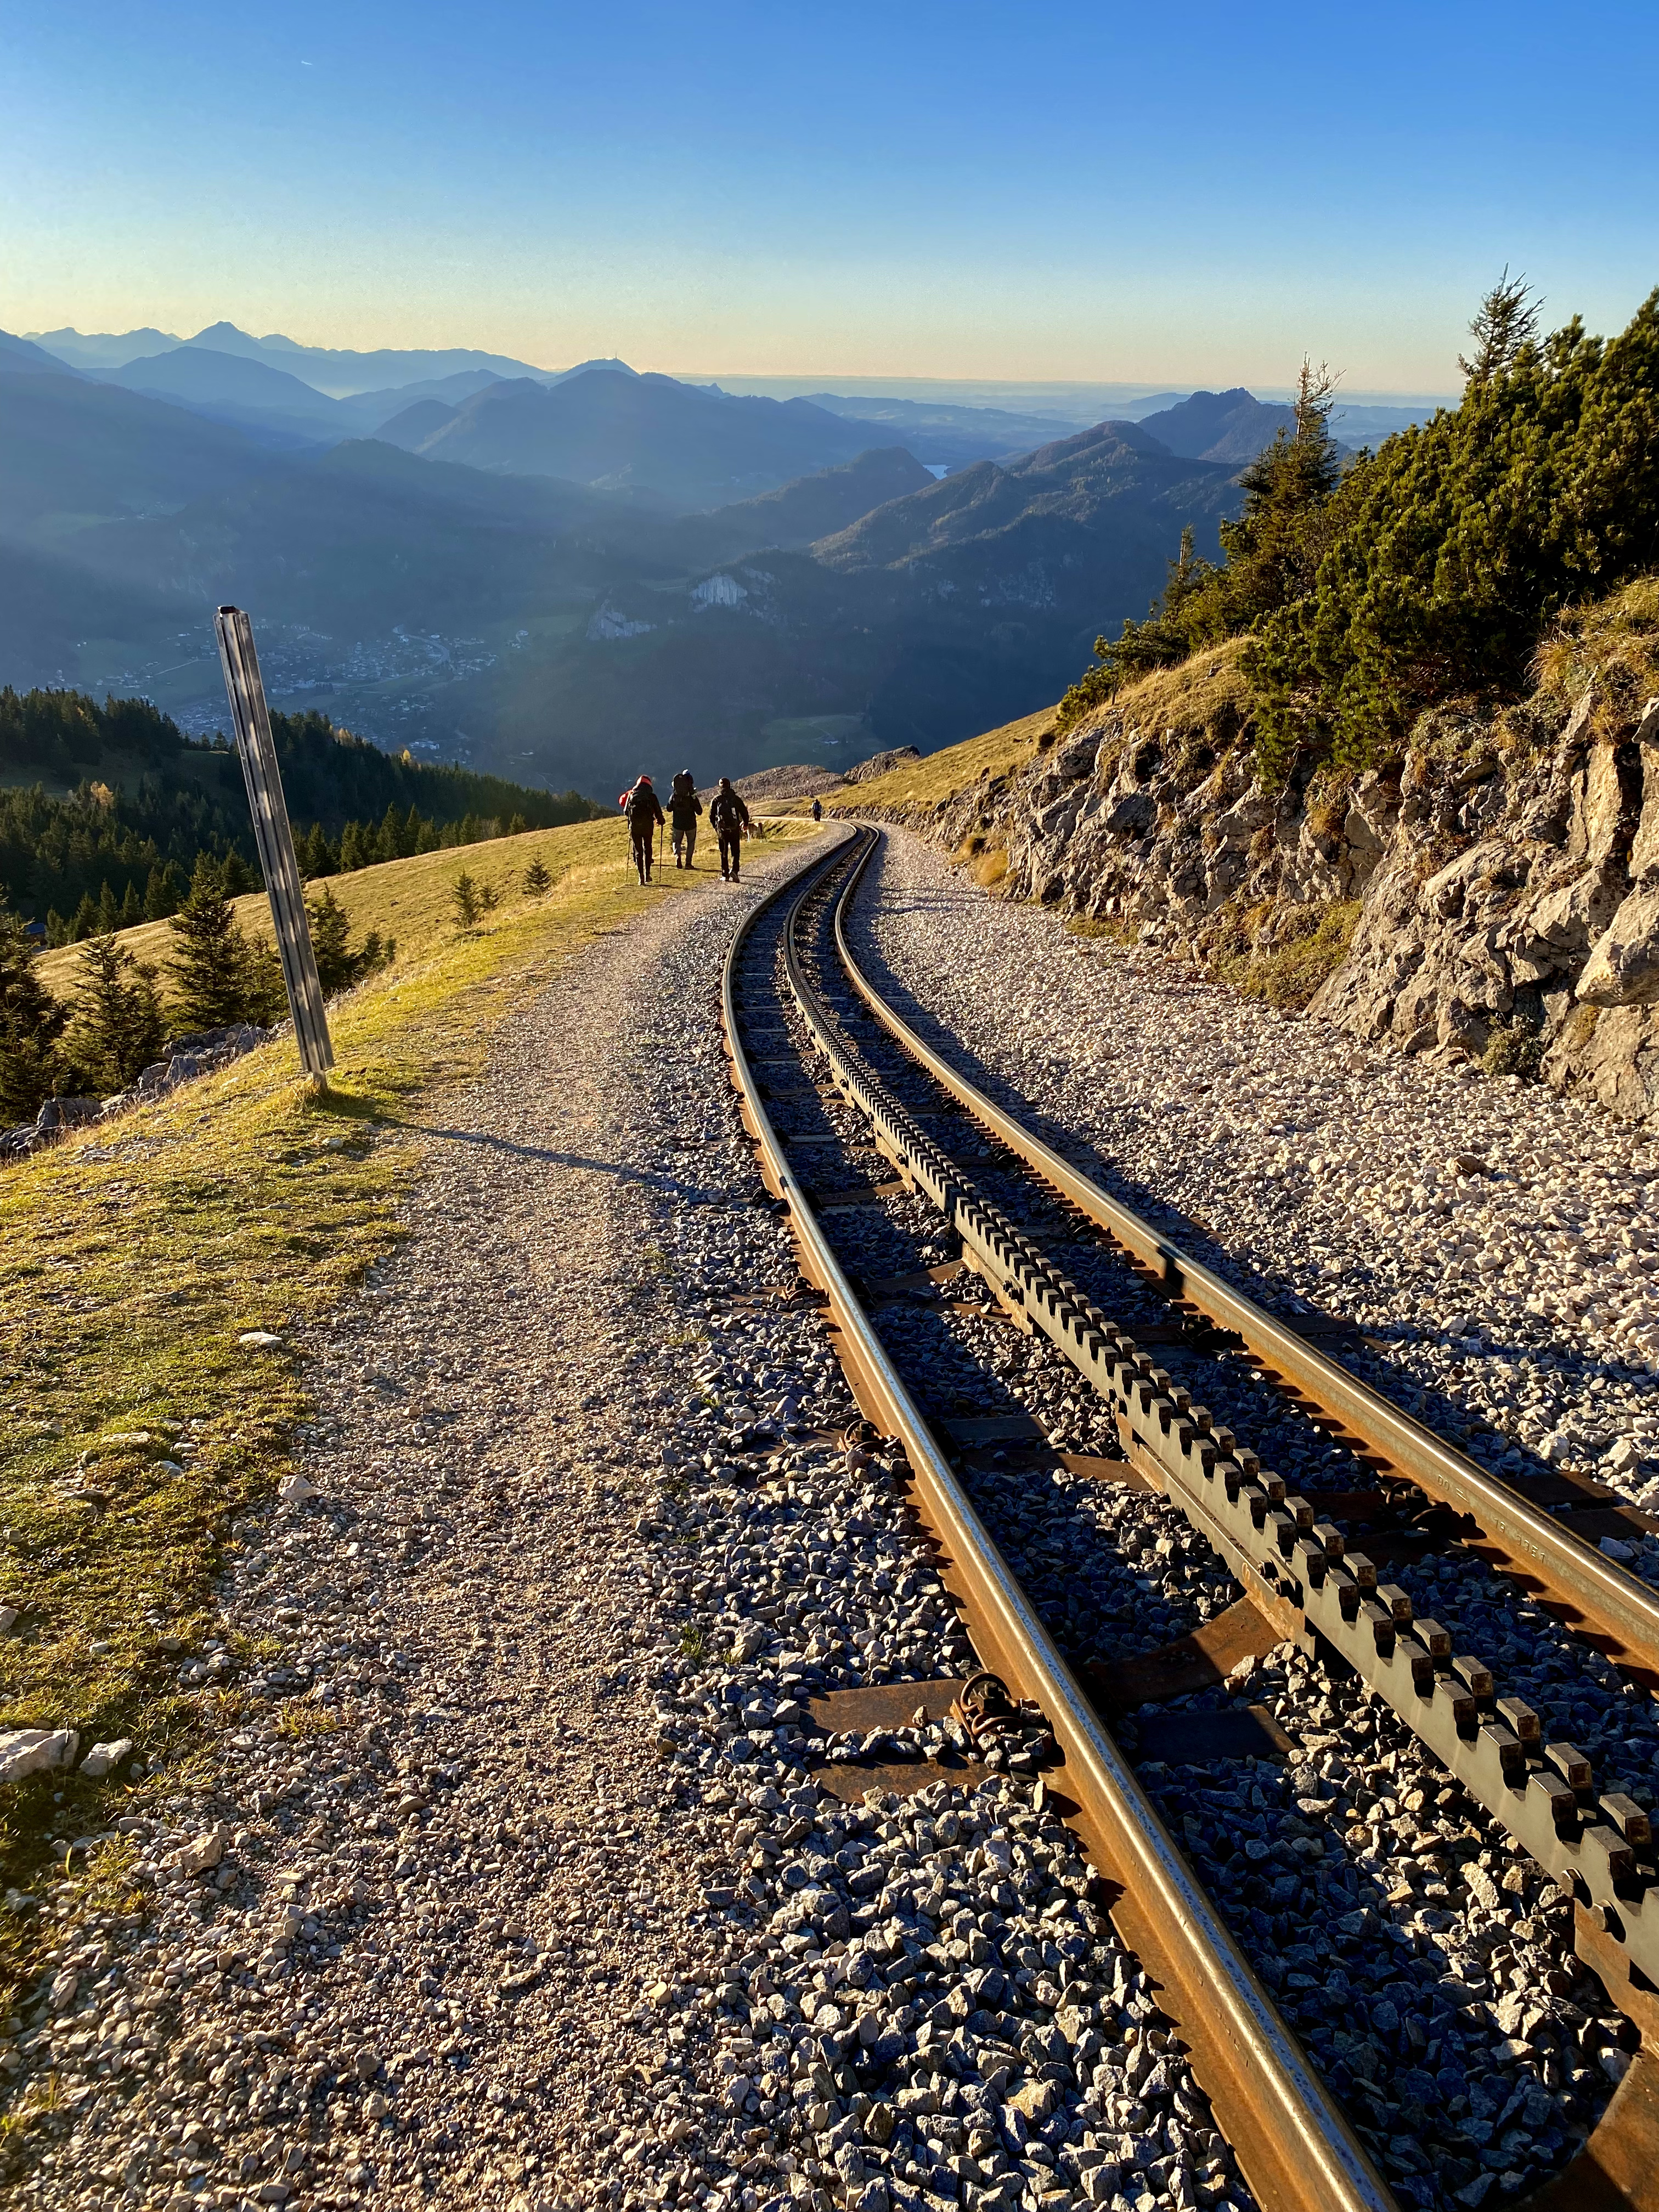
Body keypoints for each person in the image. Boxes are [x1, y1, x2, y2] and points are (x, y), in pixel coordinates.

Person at [619, 773, 664, 884]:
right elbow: (659, 812)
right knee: (648, 848)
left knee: (638, 851)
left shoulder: (631, 795)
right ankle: (648, 873)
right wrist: (661, 820)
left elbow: (626, 812)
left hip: (635, 827)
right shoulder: (652, 796)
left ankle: (641, 878)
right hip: (648, 826)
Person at [708, 777, 752, 882]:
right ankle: (735, 871)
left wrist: (716, 827)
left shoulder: (717, 800)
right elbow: (745, 813)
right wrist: (745, 823)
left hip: (722, 831)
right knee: (735, 851)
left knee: (723, 852)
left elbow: (711, 816)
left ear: (720, 786)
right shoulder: (736, 799)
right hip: (734, 829)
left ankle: (725, 874)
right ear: (730, 786)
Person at [668, 769, 703, 868]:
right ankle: (688, 863)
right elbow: (699, 812)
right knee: (691, 842)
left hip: (677, 823)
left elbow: (669, 809)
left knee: (677, 841)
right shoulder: (692, 797)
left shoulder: (674, 796)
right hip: (690, 824)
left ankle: (677, 856)